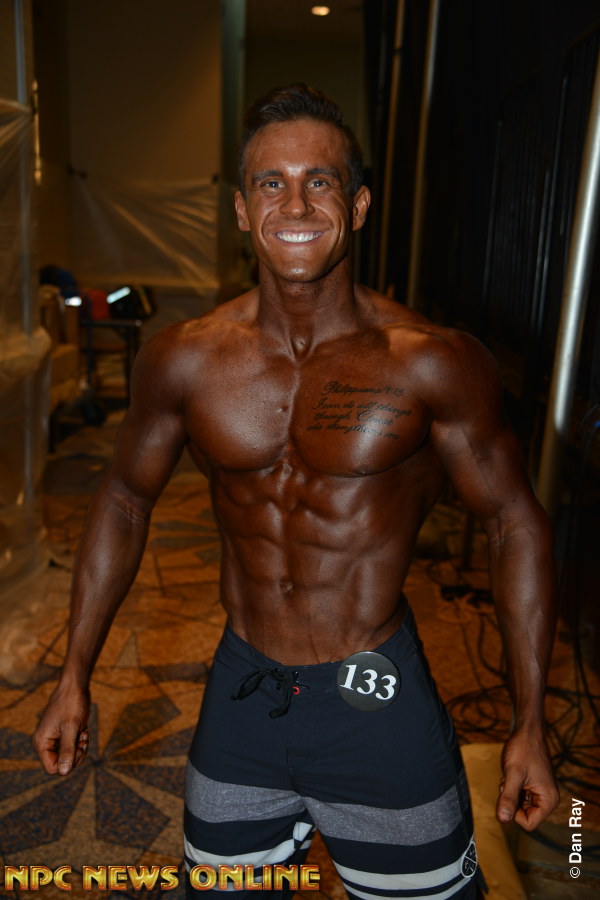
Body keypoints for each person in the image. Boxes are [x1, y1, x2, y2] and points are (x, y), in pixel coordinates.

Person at [32, 84, 559, 898]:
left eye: (320, 181)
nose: (296, 203)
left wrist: (531, 721)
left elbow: (513, 523)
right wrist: (74, 673)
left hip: (375, 696)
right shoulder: (185, 358)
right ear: (243, 210)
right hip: (243, 691)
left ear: (358, 204)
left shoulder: (432, 361)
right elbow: (124, 500)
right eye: (271, 183)